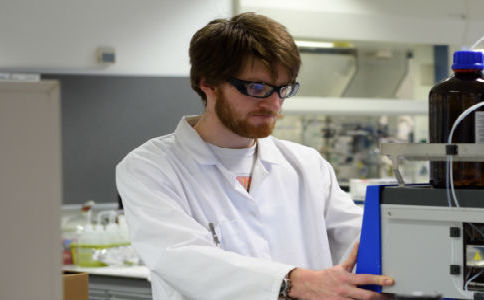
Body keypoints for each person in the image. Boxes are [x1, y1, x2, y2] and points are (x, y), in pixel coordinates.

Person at [115, 12, 393, 300]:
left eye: (283, 89)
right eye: (256, 87)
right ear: (207, 83)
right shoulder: (150, 168)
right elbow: (180, 257)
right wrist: (293, 282)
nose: (273, 103)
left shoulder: (305, 164)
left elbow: (363, 238)